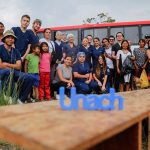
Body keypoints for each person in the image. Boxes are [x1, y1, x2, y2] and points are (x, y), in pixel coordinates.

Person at [0, 30, 34, 103]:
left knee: (30, 77)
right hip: (2, 72)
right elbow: (0, 65)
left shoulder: (16, 51)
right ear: (4, 39)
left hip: (14, 72)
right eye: (8, 37)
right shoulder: (0, 48)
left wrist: (7, 64)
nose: (10, 39)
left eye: (12, 38)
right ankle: (8, 96)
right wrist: (11, 66)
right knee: (8, 72)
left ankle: (20, 100)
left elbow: (19, 66)